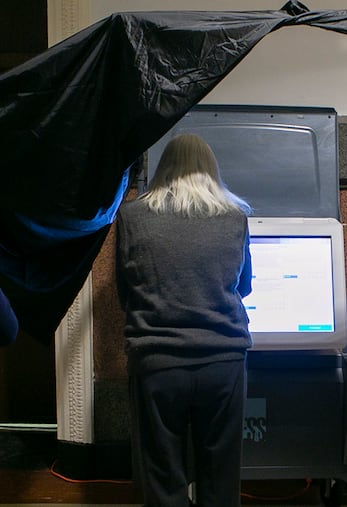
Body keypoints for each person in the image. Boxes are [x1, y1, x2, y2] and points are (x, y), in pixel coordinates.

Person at [116, 133, 252, 507]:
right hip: (222, 362)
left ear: (163, 167)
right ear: (211, 170)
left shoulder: (131, 216)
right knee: (221, 474)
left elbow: (124, 291)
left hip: (156, 362)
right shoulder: (234, 218)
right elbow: (245, 286)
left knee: (161, 475)